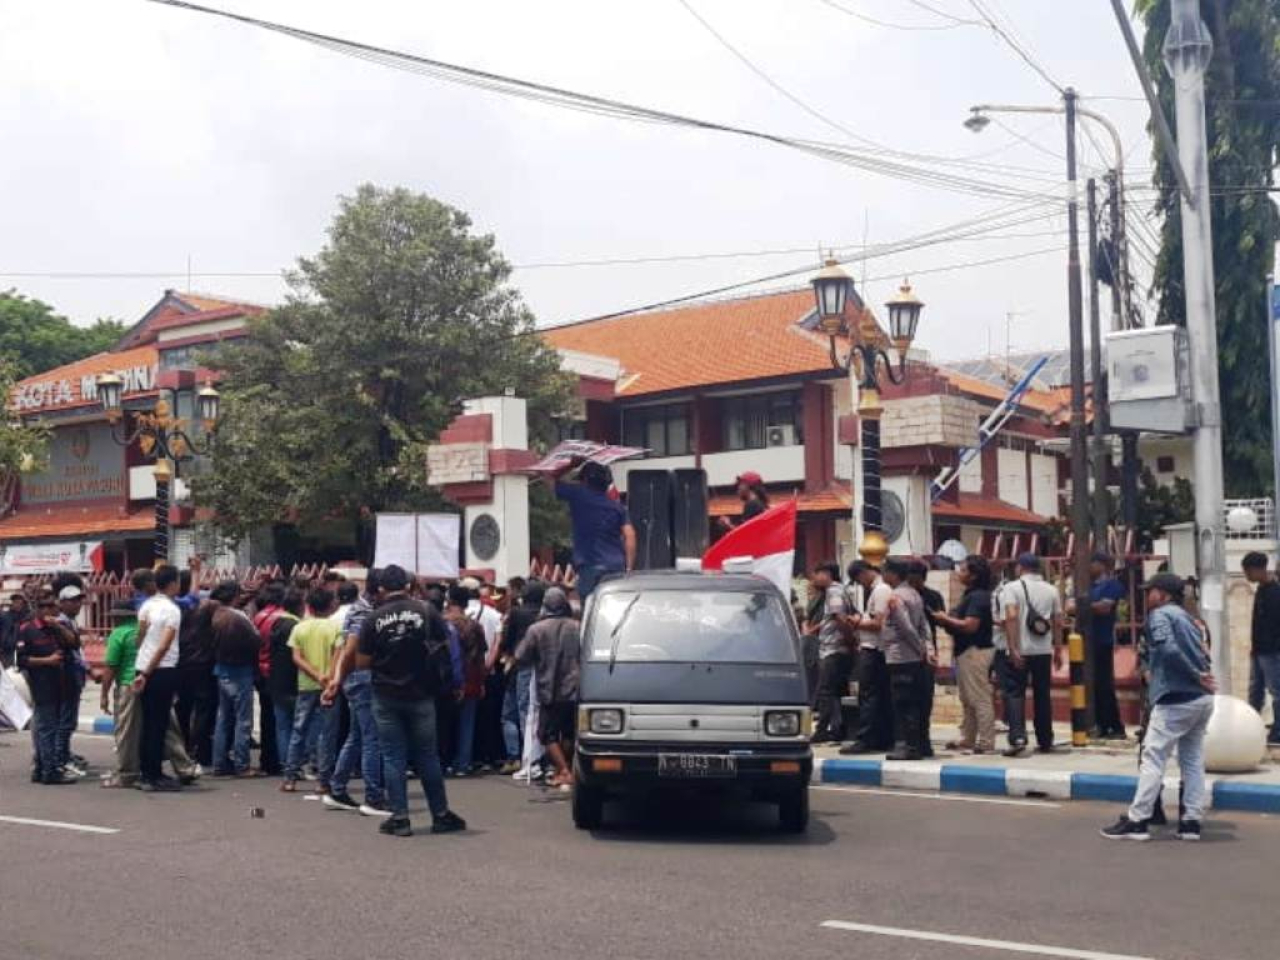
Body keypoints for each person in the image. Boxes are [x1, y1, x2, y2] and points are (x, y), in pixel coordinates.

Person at [1101, 573, 1216, 841]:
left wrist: (1193, 674)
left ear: (1163, 594)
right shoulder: (1190, 619)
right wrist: (1199, 676)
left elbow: (1167, 650)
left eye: (1151, 590)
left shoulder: (1160, 616)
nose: (1147, 595)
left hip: (1176, 698)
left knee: (1153, 758)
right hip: (1201, 699)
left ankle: (1138, 820)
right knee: (1192, 760)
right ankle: (1191, 823)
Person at [355, 564, 466, 838]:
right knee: (428, 756)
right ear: (407, 584)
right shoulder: (426, 611)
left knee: (393, 757)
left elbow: (362, 662)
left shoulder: (373, 619)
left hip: (386, 695)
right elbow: (446, 644)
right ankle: (440, 814)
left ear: (381, 588)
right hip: (422, 694)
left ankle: (401, 817)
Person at [99, 601, 199, 788]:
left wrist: (104, 694)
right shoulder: (148, 632)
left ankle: (128, 773)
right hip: (153, 679)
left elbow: (111, 667)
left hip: (129, 684)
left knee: (127, 731)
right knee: (166, 728)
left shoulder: (119, 634)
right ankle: (185, 767)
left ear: (118, 617)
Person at [325, 570, 389, 817]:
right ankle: (373, 796)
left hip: (355, 679)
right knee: (372, 737)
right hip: (362, 678)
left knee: (357, 736)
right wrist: (338, 680)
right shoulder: (363, 611)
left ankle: (337, 788)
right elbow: (350, 648)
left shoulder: (360, 608)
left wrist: (337, 679)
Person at [513, 586, 580, 790]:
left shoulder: (537, 629)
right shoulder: (578, 626)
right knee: (568, 732)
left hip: (548, 688)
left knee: (546, 734)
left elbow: (520, 656)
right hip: (575, 687)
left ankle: (565, 771)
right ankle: (564, 769)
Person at [999, 553, 1064, 757]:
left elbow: (1010, 616)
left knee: (1015, 693)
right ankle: (1045, 739)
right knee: (1042, 694)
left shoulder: (1011, 588)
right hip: (1043, 650)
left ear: (1020, 568)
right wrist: (1058, 649)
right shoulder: (1051, 590)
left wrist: (1012, 648)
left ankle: (1018, 737)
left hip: (1021, 649)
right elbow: (1058, 620)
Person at [281, 588, 343, 795]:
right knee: (327, 734)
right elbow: (338, 655)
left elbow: (296, 658)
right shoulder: (334, 628)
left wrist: (315, 675)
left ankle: (289, 778)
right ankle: (323, 781)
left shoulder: (300, 628)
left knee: (298, 731)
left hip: (306, 685)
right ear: (330, 605)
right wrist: (328, 678)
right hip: (330, 686)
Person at [933, 556, 996, 753]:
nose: (959, 573)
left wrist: (945, 619)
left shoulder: (978, 597)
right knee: (968, 699)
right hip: (965, 651)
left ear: (974, 575)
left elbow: (970, 626)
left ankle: (986, 742)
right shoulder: (971, 594)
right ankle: (968, 738)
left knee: (979, 697)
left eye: (963, 570)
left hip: (974, 651)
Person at [16, 593, 77, 785]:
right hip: (42, 684)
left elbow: (74, 643)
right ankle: (48, 770)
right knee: (46, 728)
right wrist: (47, 661)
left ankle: (43, 768)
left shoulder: (60, 627)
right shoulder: (28, 630)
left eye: (54, 607)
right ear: (40, 609)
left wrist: (58, 626)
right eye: (48, 607)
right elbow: (22, 660)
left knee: (52, 726)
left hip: (62, 683)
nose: (52, 610)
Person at [553, 460, 636, 601]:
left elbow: (549, 478)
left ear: (585, 480)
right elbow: (630, 535)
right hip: (616, 568)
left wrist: (572, 463)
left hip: (589, 567)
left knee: (591, 611)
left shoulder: (577, 495)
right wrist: (629, 568)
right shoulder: (617, 507)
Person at [133, 564, 184, 792]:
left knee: (148, 723)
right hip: (160, 670)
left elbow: (139, 637)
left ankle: (147, 772)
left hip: (143, 666)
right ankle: (153, 776)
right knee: (158, 724)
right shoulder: (171, 610)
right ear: (173, 583)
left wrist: (142, 667)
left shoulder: (147, 605)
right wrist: (147, 672)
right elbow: (164, 645)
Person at [208, 581, 263, 777]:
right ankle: (242, 764)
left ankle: (219, 762)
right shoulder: (238, 617)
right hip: (240, 671)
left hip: (221, 669)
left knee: (223, 718)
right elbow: (256, 640)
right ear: (235, 596)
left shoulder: (216, 614)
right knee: (243, 720)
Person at [880, 559, 931, 761]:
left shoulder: (897, 597)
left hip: (901, 656)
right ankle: (919, 744)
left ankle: (909, 747)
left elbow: (906, 626)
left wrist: (920, 648)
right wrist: (926, 647)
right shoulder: (914, 594)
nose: (883, 576)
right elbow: (924, 625)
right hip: (914, 657)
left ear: (893, 574)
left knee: (903, 703)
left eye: (885, 572)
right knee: (915, 702)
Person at [841, 561, 894, 754]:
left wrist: (857, 623)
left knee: (868, 695)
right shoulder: (878, 590)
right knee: (875, 695)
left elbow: (879, 624)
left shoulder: (880, 590)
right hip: (875, 649)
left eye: (858, 579)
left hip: (874, 649)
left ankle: (866, 738)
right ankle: (878, 737)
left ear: (864, 573)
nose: (860, 584)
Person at [497, 580, 544, 775]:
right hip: (541, 667)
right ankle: (533, 757)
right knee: (531, 712)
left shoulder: (517, 613)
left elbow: (507, 640)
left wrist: (506, 654)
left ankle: (517, 756)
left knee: (512, 713)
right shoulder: (543, 614)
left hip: (518, 665)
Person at [445, 584, 487, 777]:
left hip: (446, 679)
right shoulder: (474, 626)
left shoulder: (442, 622)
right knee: (467, 723)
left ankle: (444, 760)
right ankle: (463, 762)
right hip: (471, 678)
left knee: (445, 722)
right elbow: (480, 657)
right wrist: (482, 682)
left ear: (450, 601)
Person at [809, 563, 853, 744]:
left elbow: (839, 618)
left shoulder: (834, 592)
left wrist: (850, 639)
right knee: (833, 691)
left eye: (816, 574)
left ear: (826, 574)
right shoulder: (833, 591)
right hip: (833, 648)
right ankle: (836, 728)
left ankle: (822, 731)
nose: (813, 579)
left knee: (826, 691)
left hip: (833, 648)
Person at [1086, 553, 1127, 739]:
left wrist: (1083, 605)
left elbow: (1105, 608)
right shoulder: (1087, 586)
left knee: (1104, 685)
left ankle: (1115, 726)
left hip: (1103, 640)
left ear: (1102, 565)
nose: (1088, 567)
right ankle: (1100, 725)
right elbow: (1070, 606)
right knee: (1092, 685)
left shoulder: (1112, 585)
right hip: (1087, 641)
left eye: (1092, 563)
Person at [1241, 551, 1280, 746]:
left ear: (1257, 570)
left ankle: (1278, 731)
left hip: (1272, 651)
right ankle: (1250, 728)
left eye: (1248, 572)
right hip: (1258, 651)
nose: (1247, 577)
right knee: (1255, 691)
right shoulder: (1261, 591)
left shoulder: (1275, 592)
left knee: (1276, 691)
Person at [907, 561, 943, 758]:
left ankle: (923, 741)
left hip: (926, 653)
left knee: (924, 699)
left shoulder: (932, 597)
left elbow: (940, 619)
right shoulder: (901, 596)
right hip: (907, 654)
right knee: (909, 700)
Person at [52, 582, 88, 776]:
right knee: (65, 721)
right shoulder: (61, 623)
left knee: (67, 720)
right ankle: (60, 759)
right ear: (62, 603)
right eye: (73, 601)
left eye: (79, 601)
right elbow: (73, 653)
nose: (78, 605)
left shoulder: (71, 622)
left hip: (73, 676)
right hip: (66, 677)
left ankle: (64, 754)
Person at [252, 581, 287, 776]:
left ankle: (267, 758)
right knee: (280, 719)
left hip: (260, 670)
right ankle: (279, 760)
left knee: (267, 717)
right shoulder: (282, 617)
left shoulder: (258, 616)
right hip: (275, 672)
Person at [0, 591, 29, 669]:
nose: (17, 605)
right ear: (11, 603)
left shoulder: (26, 617)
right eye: (15, 602)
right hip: (5, 650)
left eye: (20, 603)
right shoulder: (3, 616)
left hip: (20, 650)